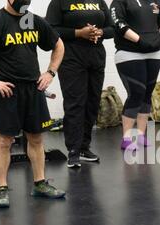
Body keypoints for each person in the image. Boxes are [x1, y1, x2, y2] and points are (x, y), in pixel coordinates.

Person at [0, 0, 66, 208]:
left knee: (36, 139)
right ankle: (2, 188)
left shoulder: (32, 21)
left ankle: (39, 184)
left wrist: (50, 72)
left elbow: (59, 45)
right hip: (8, 91)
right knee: (4, 141)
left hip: (33, 89)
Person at [46, 0, 115, 168]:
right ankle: (74, 150)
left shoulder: (98, 2)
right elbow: (51, 30)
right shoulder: (59, 3)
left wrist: (99, 32)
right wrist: (79, 33)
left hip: (96, 57)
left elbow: (112, 28)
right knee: (75, 103)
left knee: (92, 102)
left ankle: (84, 147)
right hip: (71, 57)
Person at [110, 0, 160, 150]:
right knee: (136, 93)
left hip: (155, 52)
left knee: (147, 94)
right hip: (129, 53)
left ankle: (141, 135)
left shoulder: (155, 1)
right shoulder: (119, 2)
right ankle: (127, 137)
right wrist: (139, 40)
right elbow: (119, 24)